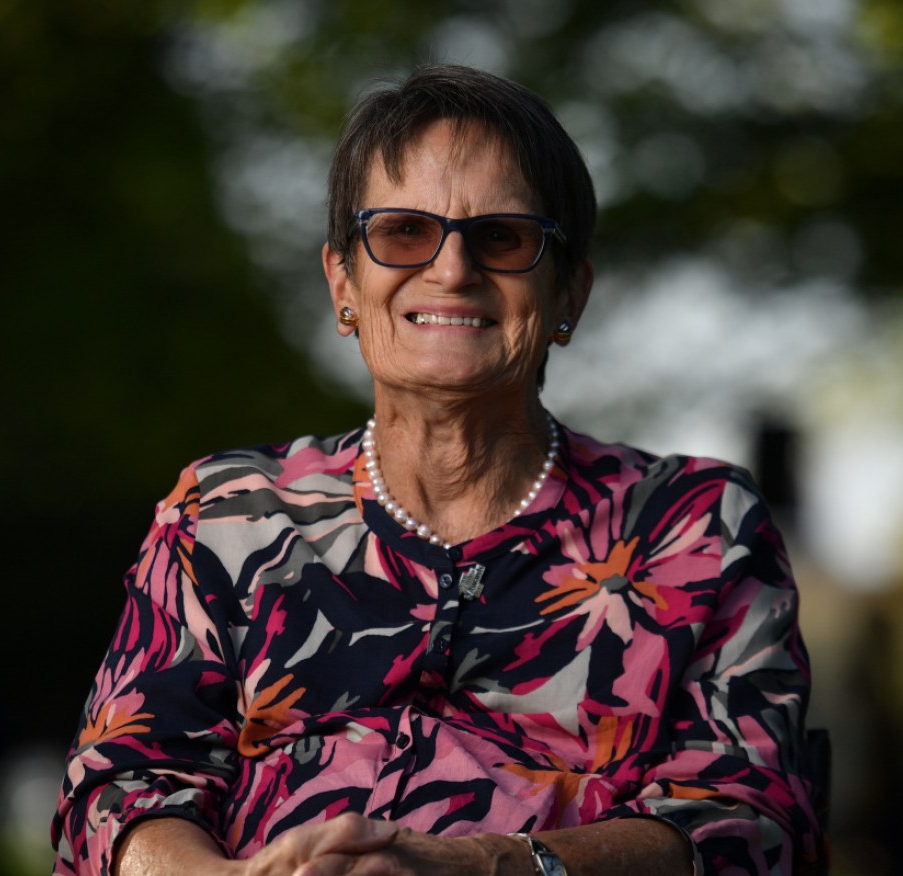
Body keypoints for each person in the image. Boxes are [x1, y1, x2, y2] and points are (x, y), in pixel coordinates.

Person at [51, 64, 824, 876]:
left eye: (503, 237)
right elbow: (119, 786)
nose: (451, 270)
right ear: (343, 281)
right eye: (403, 233)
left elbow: (748, 821)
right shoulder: (227, 515)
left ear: (571, 294)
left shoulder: (694, 526)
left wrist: (486, 867)